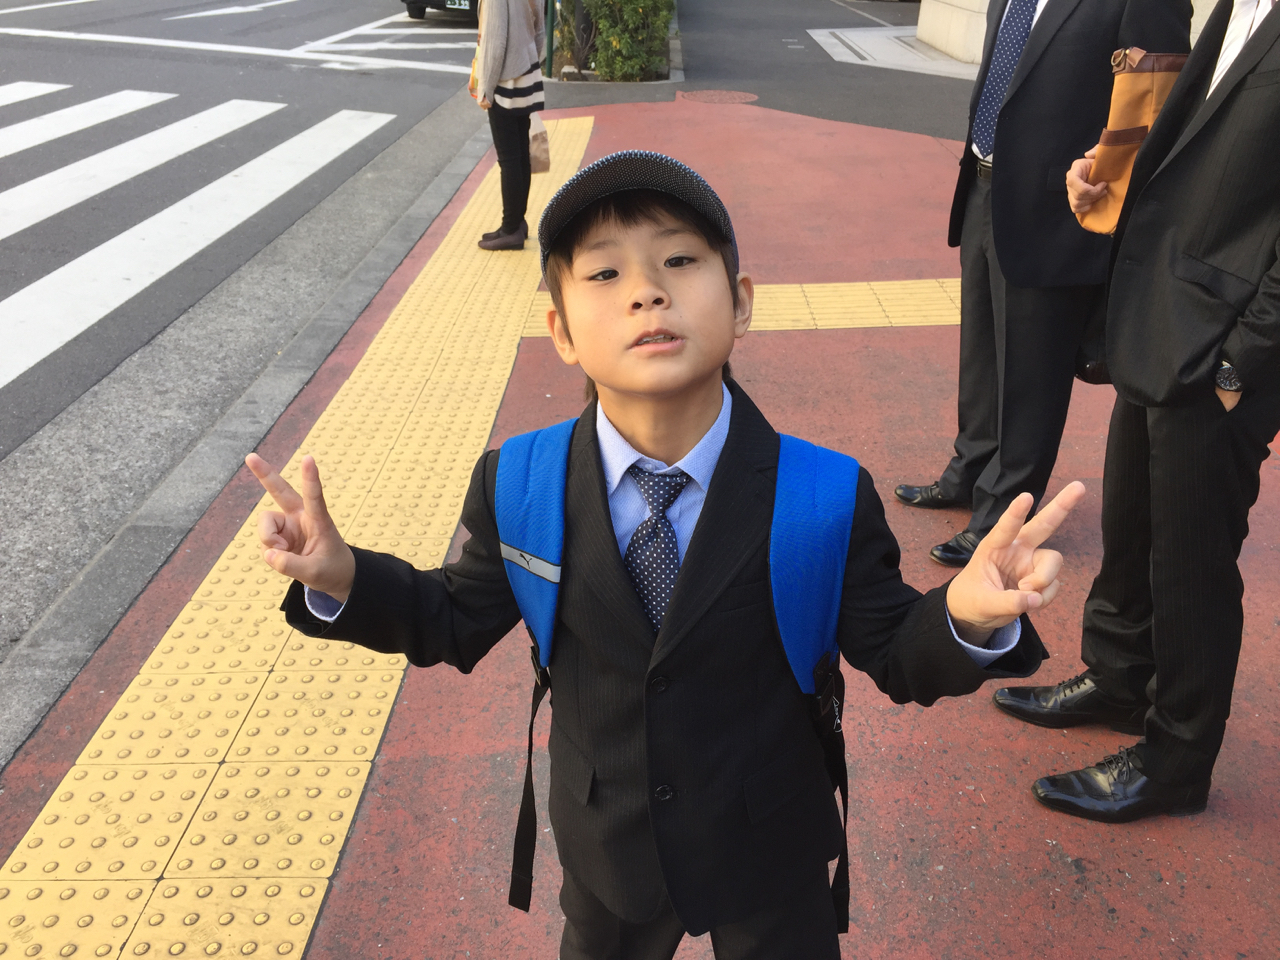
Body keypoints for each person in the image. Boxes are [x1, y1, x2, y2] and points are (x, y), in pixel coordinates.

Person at [246, 152, 1085, 959]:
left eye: (680, 260)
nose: (646, 291)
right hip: (606, 846)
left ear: (741, 303)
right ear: (561, 331)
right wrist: (344, 577)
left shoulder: (822, 493)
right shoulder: (522, 482)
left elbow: (896, 652)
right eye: (604, 273)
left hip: (770, 849)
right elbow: (451, 619)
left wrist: (966, 616)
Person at [995, 0, 1280, 823]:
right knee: (1132, 526)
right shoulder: (1237, 8)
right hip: (1160, 317)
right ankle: (1120, 678)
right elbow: (1191, 145)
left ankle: (1176, 759)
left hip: (1222, 347)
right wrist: (1106, 168)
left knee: (1191, 563)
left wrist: (1240, 362)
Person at [894, 0, 1191, 567]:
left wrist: (1109, 184)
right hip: (985, 183)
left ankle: (1001, 517)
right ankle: (969, 469)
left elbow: (1162, 101)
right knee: (982, 351)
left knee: (1032, 372)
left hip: (1063, 207)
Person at [474, 0, 545, 251]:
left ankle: (510, 228)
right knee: (520, 154)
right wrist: (528, 62)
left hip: (505, 79)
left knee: (509, 158)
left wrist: (486, 88)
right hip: (526, 74)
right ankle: (517, 222)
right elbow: (540, 30)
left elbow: (495, 42)